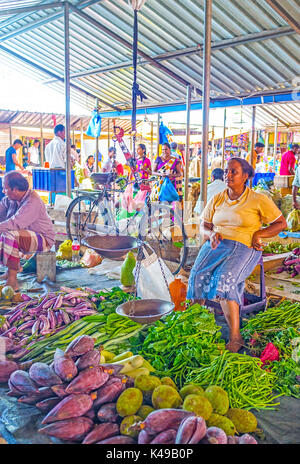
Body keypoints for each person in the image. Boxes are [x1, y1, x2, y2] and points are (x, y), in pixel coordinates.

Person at [187, 158, 286, 353]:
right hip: (217, 244)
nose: (228, 175)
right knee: (197, 276)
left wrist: (259, 234)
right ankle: (194, 325)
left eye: (234, 172)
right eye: (226, 171)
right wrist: (210, 234)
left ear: (246, 176)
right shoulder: (217, 198)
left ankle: (235, 336)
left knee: (224, 281)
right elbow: (204, 225)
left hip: (244, 246)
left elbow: (281, 223)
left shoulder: (258, 199)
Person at [0, 172, 55, 290]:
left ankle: (12, 280)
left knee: (8, 234)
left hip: (43, 240)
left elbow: (14, 224)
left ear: (15, 189)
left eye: (5, 188)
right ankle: (11, 271)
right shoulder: (10, 200)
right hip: (23, 237)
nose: (3, 191)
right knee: (5, 233)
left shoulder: (33, 201)